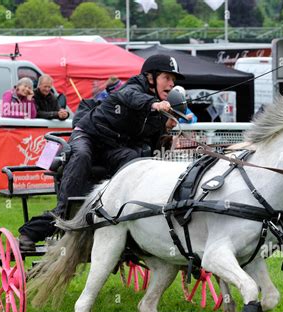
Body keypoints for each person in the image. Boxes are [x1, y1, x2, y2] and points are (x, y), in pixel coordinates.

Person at [18, 54, 184, 251]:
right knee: (82, 156)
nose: (170, 84)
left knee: (134, 161)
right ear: (150, 77)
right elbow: (131, 96)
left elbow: (153, 148)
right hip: (89, 135)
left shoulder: (160, 113)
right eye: (167, 78)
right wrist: (153, 104)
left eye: (173, 80)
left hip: (113, 146)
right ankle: (57, 216)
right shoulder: (134, 88)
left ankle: (121, 210)